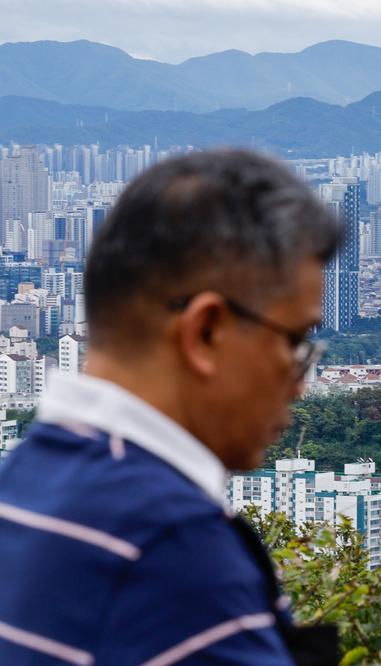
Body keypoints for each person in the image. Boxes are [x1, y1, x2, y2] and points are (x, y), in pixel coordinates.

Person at [0, 150, 343, 666]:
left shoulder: (21, 482)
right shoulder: (174, 548)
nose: (299, 386)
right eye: (294, 342)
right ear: (205, 331)